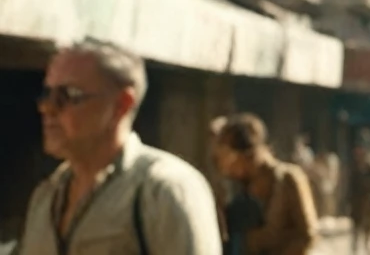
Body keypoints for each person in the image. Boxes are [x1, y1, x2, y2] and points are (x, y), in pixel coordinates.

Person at [16, 39, 222, 255]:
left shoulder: (162, 190)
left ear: (121, 104)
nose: (47, 109)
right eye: (47, 95)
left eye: (68, 96)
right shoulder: (47, 196)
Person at [213, 113, 319, 254]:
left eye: (228, 156)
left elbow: (307, 236)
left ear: (246, 154)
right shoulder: (239, 189)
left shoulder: (288, 179)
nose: (226, 168)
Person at [348, 142, 370, 255]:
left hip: (368, 202)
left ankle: (366, 247)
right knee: (356, 227)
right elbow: (350, 186)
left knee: (368, 227)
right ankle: (355, 249)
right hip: (357, 203)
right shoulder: (353, 168)